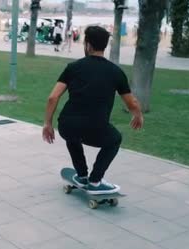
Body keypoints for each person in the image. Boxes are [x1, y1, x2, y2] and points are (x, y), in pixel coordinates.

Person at [42, 26, 144, 195]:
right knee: (114, 139)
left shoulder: (73, 67)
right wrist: (138, 115)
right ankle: (95, 180)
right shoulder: (116, 72)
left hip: (67, 125)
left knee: (72, 135)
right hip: (96, 128)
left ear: (87, 44)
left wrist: (47, 124)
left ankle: (82, 175)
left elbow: (53, 97)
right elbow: (131, 102)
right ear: (105, 46)